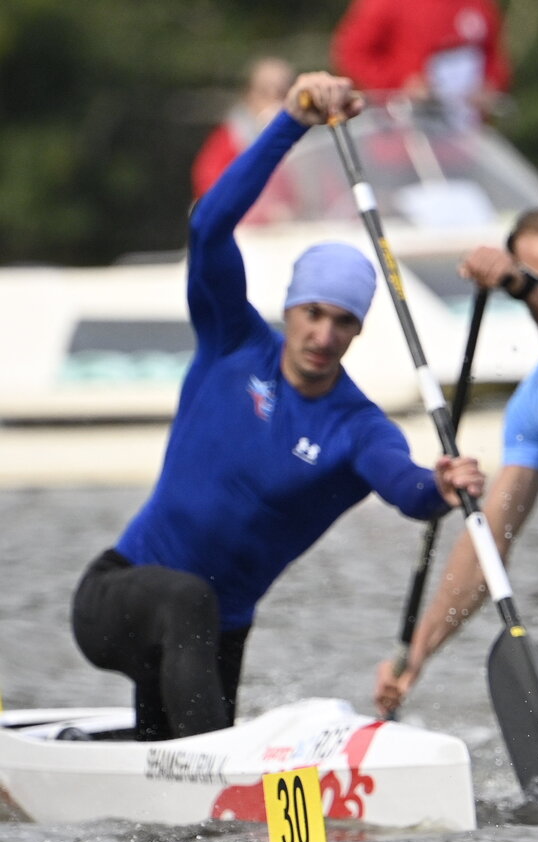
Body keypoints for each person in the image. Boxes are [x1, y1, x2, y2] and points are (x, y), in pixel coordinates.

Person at [71, 72, 485, 742]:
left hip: (214, 637)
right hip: (117, 597)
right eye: (313, 313)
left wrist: (441, 485)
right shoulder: (232, 340)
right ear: (289, 308)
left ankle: (180, 788)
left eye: (342, 322)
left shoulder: (356, 427)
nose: (323, 335)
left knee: (177, 765)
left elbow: (407, 488)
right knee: (188, 600)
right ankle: (212, 768)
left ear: (357, 331)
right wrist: (291, 121)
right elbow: (209, 225)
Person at [373, 199, 538, 714]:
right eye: (536, 285)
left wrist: (524, 286)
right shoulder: (536, 405)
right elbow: (488, 540)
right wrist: (419, 652)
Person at [331, 0, 511, 129]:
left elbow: (494, 55)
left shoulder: (481, 5)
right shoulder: (386, 4)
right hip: (401, 142)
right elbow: (351, 53)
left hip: (465, 140)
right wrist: (400, 84)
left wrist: (490, 85)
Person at [191, 56, 295, 201]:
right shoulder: (232, 137)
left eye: (282, 93)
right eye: (264, 92)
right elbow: (209, 189)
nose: (274, 100)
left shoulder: (303, 137)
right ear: (249, 94)